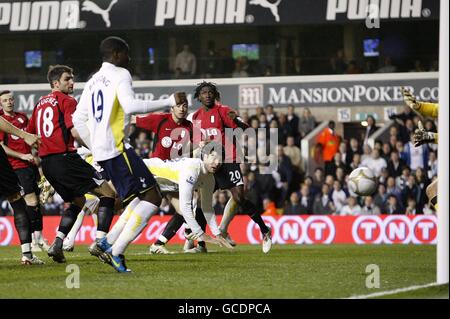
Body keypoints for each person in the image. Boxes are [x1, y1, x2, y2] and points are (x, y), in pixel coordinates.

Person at [72, 36, 185, 272]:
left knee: (137, 198)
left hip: (105, 151)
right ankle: (117, 252)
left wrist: (95, 146)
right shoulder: (120, 74)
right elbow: (131, 106)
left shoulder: (92, 82)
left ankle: (107, 241)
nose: (129, 57)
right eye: (126, 52)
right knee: (153, 198)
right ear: (115, 54)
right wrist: (168, 101)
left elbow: (77, 120)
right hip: (117, 148)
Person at [28, 65, 117, 264]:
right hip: (66, 160)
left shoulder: (40, 103)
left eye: (72, 78)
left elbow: (32, 135)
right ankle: (101, 242)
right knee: (109, 194)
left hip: (48, 165)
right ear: (55, 83)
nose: (72, 82)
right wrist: (98, 151)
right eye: (67, 79)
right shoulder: (67, 101)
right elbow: (76, 131)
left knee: (78, 201)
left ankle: (58, 243)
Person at [190, 82, 272, 253]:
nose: (207, 95)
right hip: (210, 162)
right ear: (199, 97)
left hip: (228, 158)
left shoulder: (223, 111)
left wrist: (237, 121)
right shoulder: (196, 117)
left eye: (210, 92)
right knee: (201, 202)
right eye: (204, 93)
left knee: (240, 197)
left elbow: (247, 130)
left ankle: (265, 231)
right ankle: (201, 245)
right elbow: (198, 141)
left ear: (215, 95)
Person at [145, 147, 233, 254]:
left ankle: (158, 245)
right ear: (205, 157)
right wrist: (202, 235)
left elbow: (207, 208)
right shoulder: (192, 169)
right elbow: (185, 207)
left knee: (182, 212)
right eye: (213, 158)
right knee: (129, 211)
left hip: (165, 185)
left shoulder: (209, 178)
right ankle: (188, 231)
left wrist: (217, 234)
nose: (217, 163)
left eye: (220, 160)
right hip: (146, 171)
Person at [0, 90, 48, 252]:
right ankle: (34, 242)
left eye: (11, 99)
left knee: (36, 203)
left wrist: (36, 158)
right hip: (15, 166)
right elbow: (2, 147)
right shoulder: (2, 121)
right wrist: (22, 155)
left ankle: (38, 240)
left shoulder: (22, 117)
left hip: (30, 165)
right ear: (1, 103)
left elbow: (30, 140)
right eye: (5, 100)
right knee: (29, 201)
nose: (9, 102)